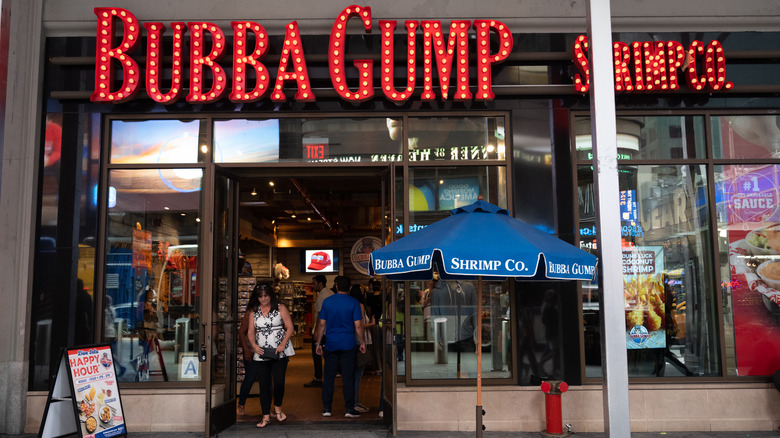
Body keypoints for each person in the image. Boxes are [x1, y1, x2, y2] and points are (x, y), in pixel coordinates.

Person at [314, 275, 366, 418]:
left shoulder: (327, 302)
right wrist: (362, 342)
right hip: (348, 344)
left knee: (329, 378)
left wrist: (318, 343)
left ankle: (326, 409)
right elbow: (358, 326)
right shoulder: (354, 303)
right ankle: (349, 409)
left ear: (336, 286)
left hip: (330, 344)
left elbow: (321, 325)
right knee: (348, 378)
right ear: (349, 288)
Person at [247, 283, 295, 428]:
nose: (263, 299)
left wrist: (283, 344)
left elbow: (290, 326)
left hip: (279, 350)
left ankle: (278, 407)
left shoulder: (280, 308)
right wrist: (254, 346)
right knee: (264, 384)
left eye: (266, 296)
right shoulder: (253, 311)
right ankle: (265, 416)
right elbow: (250, 331)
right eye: (260, 296)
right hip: (261, 351)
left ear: (270, 295)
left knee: (279, 381)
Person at [236, 286, 262, 416]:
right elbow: (241, 332)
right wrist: (246, 350)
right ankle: (241, 404)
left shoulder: (270, 311)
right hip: (251, 350)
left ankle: (267, 409)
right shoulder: (251, 311)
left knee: (266, 380)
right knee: (250, 378)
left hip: (264, 350)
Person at [349, 284, 375, 413]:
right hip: (359, 341)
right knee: (357, 374)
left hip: (350, 342)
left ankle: (352, 402)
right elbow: (360, 325)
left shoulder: (349, 304)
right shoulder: (359, 305)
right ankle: (354, 403)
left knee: (352, 374)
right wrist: (372, 324)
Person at [304, 274, 332, 388]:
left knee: (317, 354)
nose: (313, 286)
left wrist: (316, 332)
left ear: (320, 283)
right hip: (329, 330)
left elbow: (321, 316)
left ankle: (318, 377)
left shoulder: (322, 296)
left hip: (322, 330)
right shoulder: (330, 293)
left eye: (314, 283)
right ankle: (328, 377)